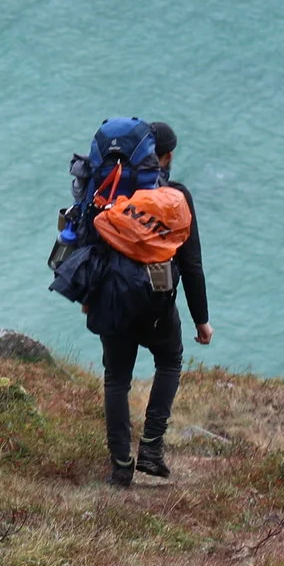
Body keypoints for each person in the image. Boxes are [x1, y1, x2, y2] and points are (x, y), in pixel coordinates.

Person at [100, 120, 211, 487]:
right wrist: (201, 320)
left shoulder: (111, 191)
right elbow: (191, 263)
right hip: (156, 303)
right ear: (167, 156)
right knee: (169, 360)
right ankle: (150, 448)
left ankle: (120, 465)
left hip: (112, 298)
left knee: (117, 378)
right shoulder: (175, 197)